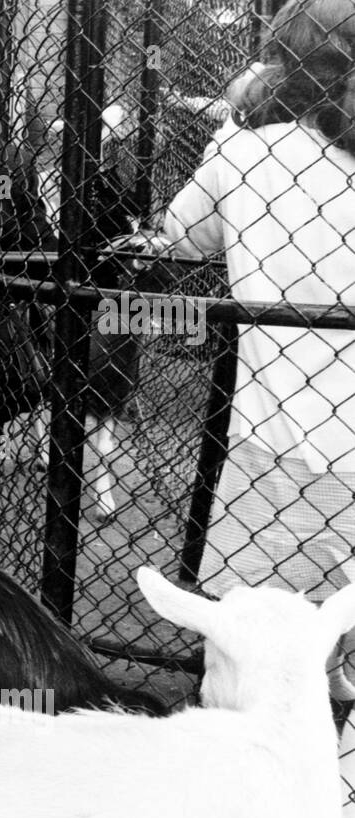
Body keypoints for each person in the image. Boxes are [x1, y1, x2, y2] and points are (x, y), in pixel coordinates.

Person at [162, 0, 355, 697]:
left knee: (252, 662)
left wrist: (233, 131)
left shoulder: (249, 155)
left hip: (274, 449)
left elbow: (181, 235)